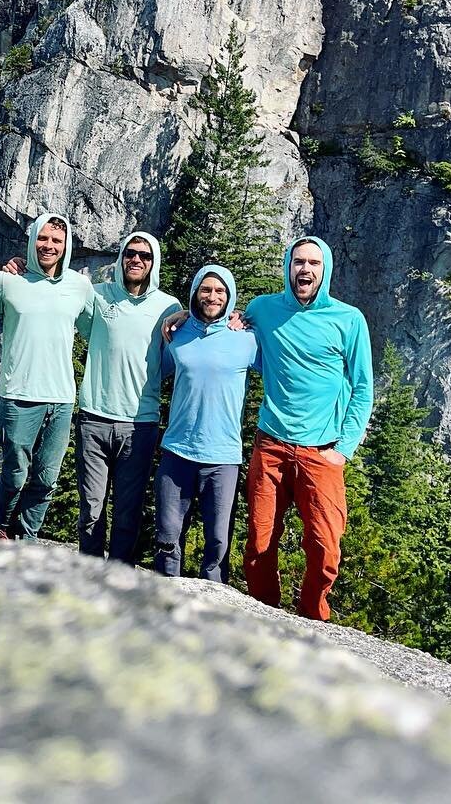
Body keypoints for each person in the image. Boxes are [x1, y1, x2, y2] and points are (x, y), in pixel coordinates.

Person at [240, 237, 373, 620]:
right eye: (299, 262)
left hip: (322, 452)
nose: (305, 270)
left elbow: (363, 388)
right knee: (260, 541)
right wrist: (181, 318)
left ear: (325, 269)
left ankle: (313, 619)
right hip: (272, 446)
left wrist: (343, 449)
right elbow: (234, 332)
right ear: (288, 266)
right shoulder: (263, 309)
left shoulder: (348, 320)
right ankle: (266, 618)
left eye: (314, 263)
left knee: (325, 549)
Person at [0, 213, 93, 540]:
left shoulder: (79, 286)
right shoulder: (8, 281)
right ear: (32, 242)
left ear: (66, 245)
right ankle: (4, 527)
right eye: (42, 239)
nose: (48, 246)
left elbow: (99, 331)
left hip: (60, 397)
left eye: (56, 241)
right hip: (18, 393)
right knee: (16, 474)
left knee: (47, 477)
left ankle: (26, 536)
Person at [74, 232, 180, 562]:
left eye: (145, 256)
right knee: (91, 508)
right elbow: (77, 323)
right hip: (93, 415)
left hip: (140, 422)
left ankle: (120, 578)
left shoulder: (168, 306)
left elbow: (174, 358)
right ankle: (89, 576)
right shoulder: (98, 296)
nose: (136, 260)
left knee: (127, 512)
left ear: (154, 263)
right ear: (121, 257)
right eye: (130, 253)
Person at [153, 264, 259, 582]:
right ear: (196, 293)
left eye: (220, 291)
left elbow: (281, 375)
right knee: (168, 538)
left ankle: (214, 619)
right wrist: (177, 316)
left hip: (223, 458)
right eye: (206, 289)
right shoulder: (176, 333)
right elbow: (158, 373)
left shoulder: (248, 340)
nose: (212, 296)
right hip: (177, 452)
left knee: (218, 545)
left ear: (229, 296)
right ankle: (165, 606)